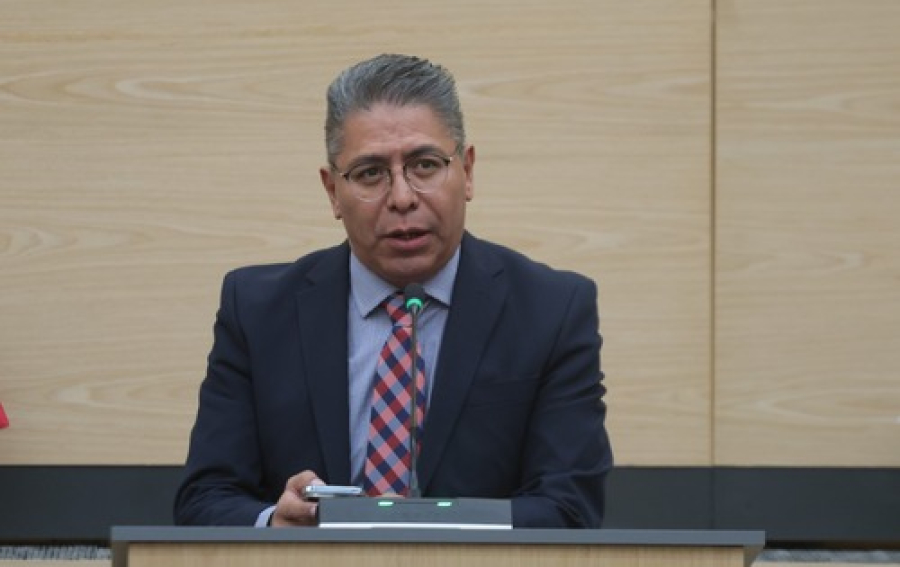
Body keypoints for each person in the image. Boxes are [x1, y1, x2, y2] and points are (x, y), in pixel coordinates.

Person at [173, 53, 613, 528]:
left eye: (425, 165)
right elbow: (204, 501)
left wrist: (424, 532)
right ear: (332, 191)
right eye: (370, 173)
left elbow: (568, 509)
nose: (402, 198)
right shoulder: (257, 311)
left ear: (467, 172)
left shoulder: (551, 311)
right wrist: (276, 526)